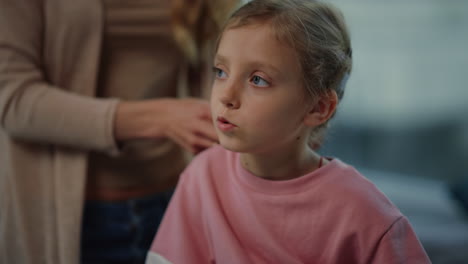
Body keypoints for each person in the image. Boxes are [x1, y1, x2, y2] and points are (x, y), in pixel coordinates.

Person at [147, 0, 432, 263]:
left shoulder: (366, 216)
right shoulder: (202, 177)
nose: (226, 96)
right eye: (221, 72)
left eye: (258, 79)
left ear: (318, 107)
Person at [0, 0, 239, 263]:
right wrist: (159, 117)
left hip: (175, 200)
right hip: (77, 218)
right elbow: (13, 99)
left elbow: (211, 70)